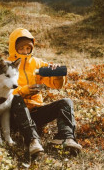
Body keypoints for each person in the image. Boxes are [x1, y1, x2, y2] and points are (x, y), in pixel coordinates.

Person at [8, 28, 82, 156]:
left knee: (66, 102)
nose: (25, 51)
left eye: (28, 48)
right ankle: (33, 141)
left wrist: (57, 75)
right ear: (14, 48)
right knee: (17, 100)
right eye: (21, 48)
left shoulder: (37, 64)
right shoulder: (6, 66)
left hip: (35, 113)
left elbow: (57, 85)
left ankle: (65, 137)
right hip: (14, 116)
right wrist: (22, 91)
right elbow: (1, 94)